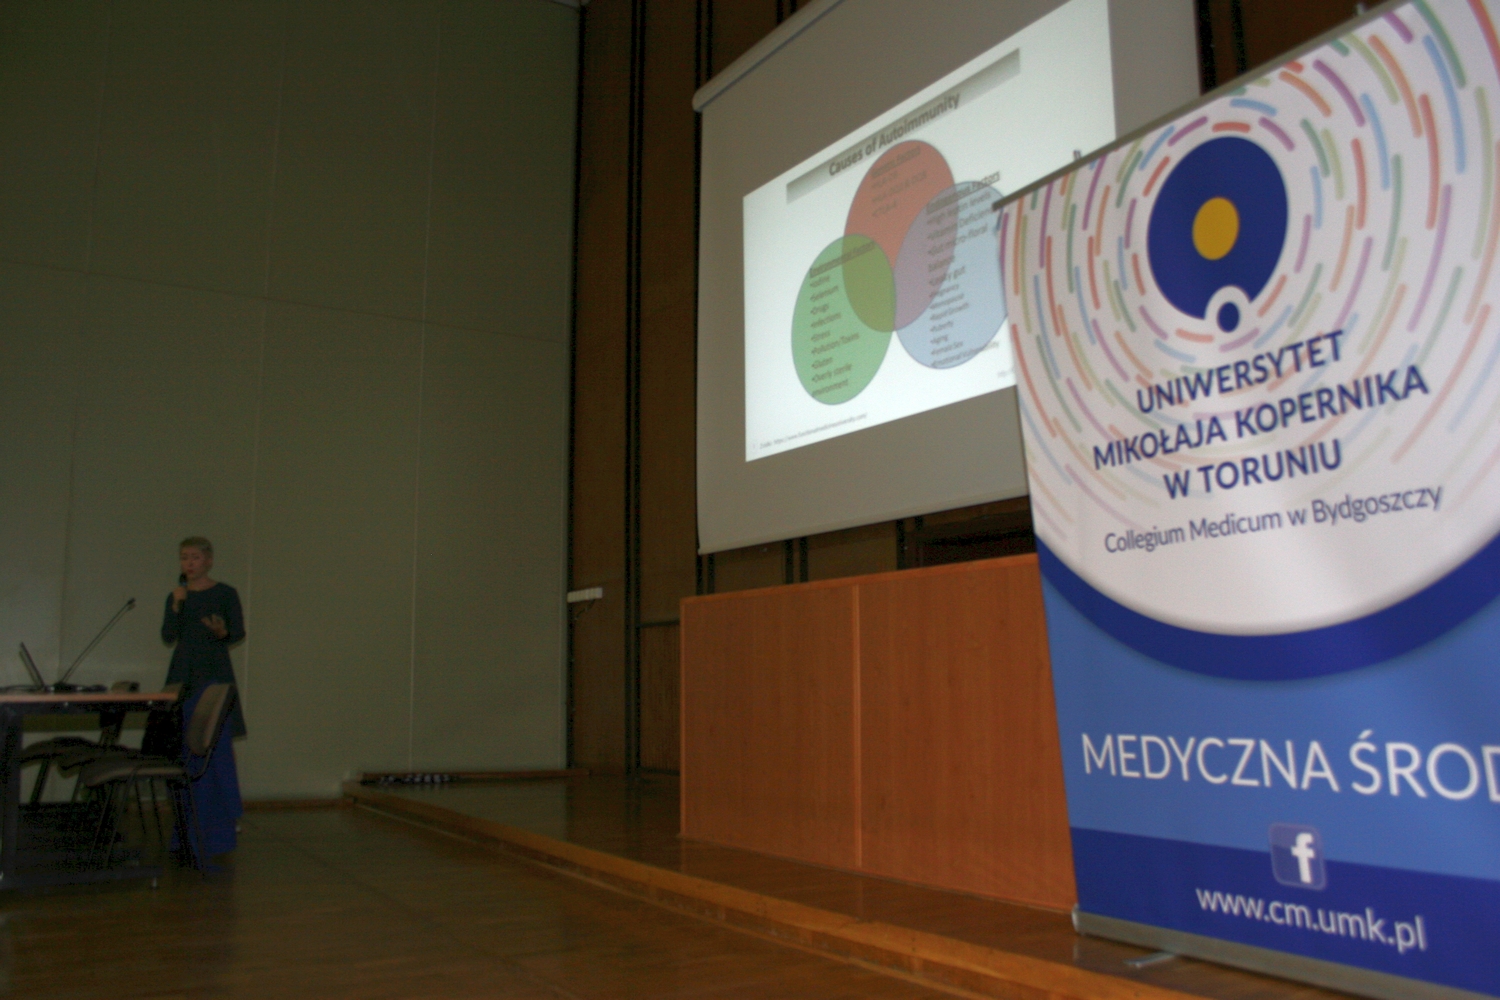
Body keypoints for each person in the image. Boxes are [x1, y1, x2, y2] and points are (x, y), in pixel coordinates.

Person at [161, 536, 246, 858]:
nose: (189, 563)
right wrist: (175, 606)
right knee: (184, 745)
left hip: (214, 674)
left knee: (218, 744)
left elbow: (237, 632)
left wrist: (222, 632)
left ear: (209, 561)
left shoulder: (225, 593)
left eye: (195, 557)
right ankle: (187, 820)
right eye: (184, 558)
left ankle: (224, 817)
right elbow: (168, 636)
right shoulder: (177, 596)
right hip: (183, 676)